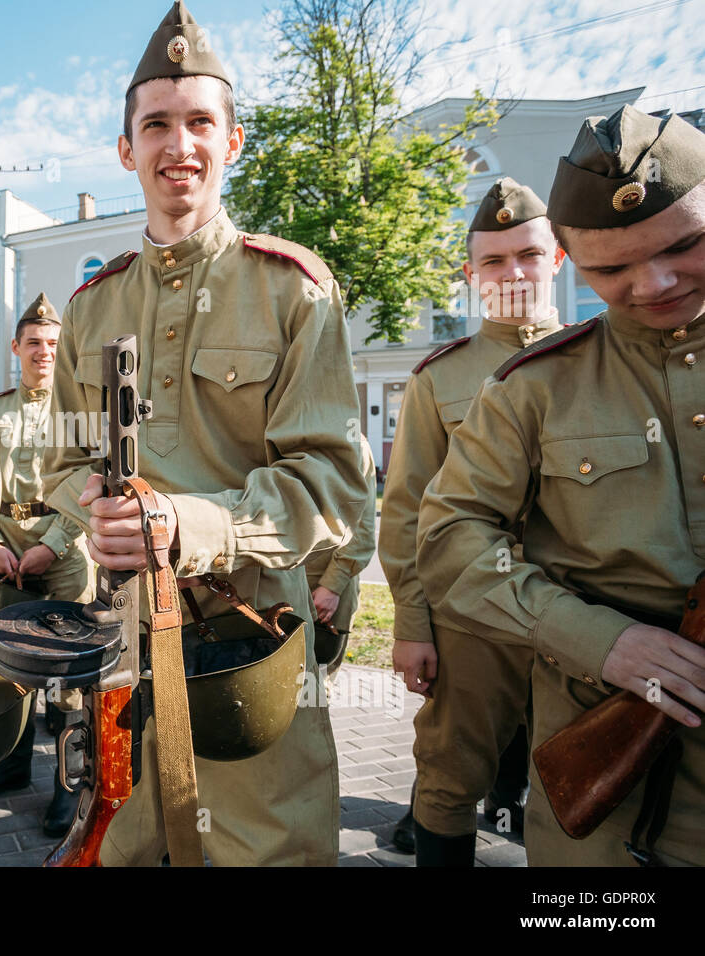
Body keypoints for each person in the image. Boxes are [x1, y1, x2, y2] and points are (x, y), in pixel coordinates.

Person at [44, 0, 371, 865]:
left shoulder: (294, 290)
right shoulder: (91, 306)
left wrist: (192, 525)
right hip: (121, 638)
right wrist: (90, 507)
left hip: (249, 634)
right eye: (155, 124)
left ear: (232, 143)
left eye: (199, 123)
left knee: (269, 847)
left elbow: (332, 482)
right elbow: (59, 460)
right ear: (126, 150)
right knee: (126, 842)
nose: (176, 144)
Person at [418, 105, 705, 866]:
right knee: (457, 773)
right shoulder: (528, 386)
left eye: (685, 246)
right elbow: (436, 525)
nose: (656, 282)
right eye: (614, 269)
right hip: (585, 704)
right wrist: (597, 641)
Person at [380, 178, 567, 863]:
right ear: (470, 276)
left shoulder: (602, 362)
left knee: (573, 786)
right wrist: (412, 625)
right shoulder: (440, 378)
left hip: (586, 617)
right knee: (449, 780)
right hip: (472, 623)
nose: (512, 273)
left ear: (559, 257)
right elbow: (407, 509)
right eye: (493, 261)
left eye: (527, 254)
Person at [0, 292, 93, 838]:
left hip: (62, 562)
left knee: (65, 683)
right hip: (4, 562)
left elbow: (91, 484)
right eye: (34, 342)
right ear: (15, 347)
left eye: (53, 344)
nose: (43, 351)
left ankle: (68, 786)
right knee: (9, 672)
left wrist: (54, 543)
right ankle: (12, 769)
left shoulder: (81, 413)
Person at [304, 441, 377, 675]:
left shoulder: (351, 443)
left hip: (322, 591)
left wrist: (332, 585)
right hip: (270, 591)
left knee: (316, 690)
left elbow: (361, 529)